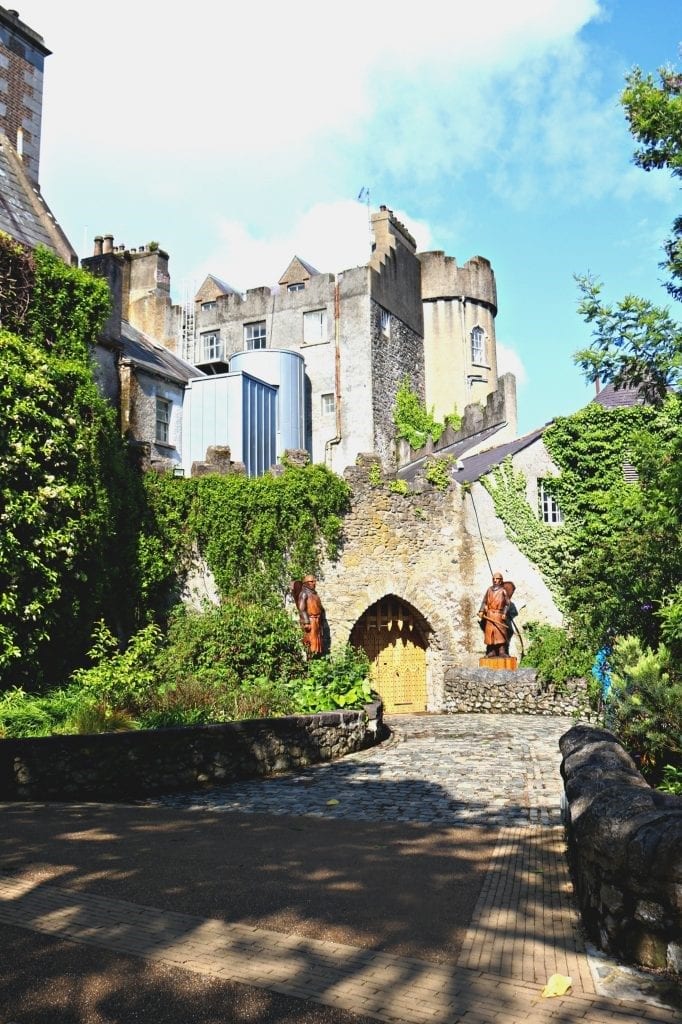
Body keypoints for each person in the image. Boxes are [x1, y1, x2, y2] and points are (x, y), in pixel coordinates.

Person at [478, 572, 512, 657]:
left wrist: (504, 613)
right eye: (494, 579)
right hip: (489, 614)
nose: (495, 581)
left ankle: (502, 651)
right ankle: (491, 651)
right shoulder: (489, 590)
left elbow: (508, 604)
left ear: (501, 581)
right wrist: (482, 611)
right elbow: (484, 601)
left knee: (500, 633)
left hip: (498, 614)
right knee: (490, 633)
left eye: (497, 579)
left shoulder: (503, 591)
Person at [296, 574, 325, 657]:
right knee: (311, 642)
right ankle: (311, 659)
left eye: (314, 581)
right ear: (306, 583)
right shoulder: (304, 594)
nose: (314, 583)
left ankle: (317, 657)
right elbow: (302, 609)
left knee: (318, 642)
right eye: (311, 581)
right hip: (311, 621)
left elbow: (319, 607)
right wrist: (306, 622)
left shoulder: (315, 594)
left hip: (317, 621)